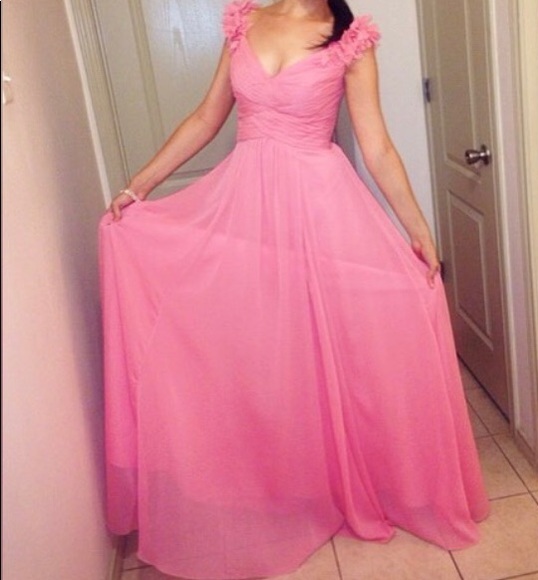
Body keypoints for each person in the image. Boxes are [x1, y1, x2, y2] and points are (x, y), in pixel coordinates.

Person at [99, 1, 490, 578]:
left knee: (339, 347)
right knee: (265, 352)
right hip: (247, 208)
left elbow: (377, 146)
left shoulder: (348, 37)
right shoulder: (244, 20)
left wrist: (419, 230)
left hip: (322, 210)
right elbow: (206, 118)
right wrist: (139, 186)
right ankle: (279, 482)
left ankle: (345, 481)